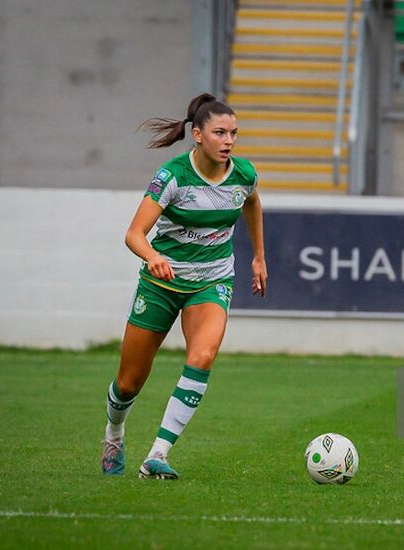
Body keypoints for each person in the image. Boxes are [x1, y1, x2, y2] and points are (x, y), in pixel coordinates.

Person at [101, 93, 267, 480]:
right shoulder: (173, 176)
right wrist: (152, 257)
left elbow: (253, 203)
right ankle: (114, 433)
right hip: (162, 283)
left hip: (211, 281)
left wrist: (258, 256)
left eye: (234, 133)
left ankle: (158, 454)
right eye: (220, 133)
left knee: (203, 356)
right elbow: (134, 234)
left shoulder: (243, 174)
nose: (229, 141)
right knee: (128, 383)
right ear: (197, 135)